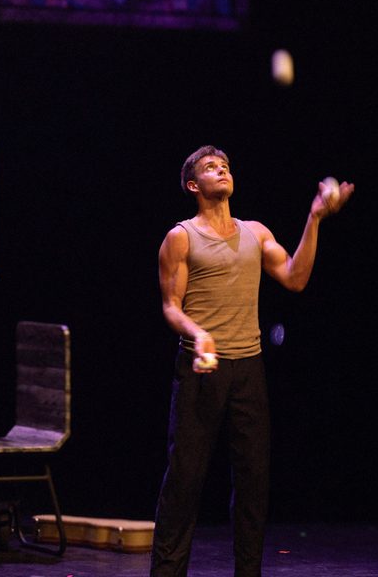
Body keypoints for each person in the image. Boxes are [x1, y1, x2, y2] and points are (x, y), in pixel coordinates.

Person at [151, 147, 354, 577]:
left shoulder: (255, 232)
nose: (221, 169)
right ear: (193, 185)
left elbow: (296, 277)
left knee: (252, 485)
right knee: (185, 481)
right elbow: (171, 306)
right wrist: (197, 332)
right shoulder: (182, 237)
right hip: (201, 369)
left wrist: (314, 218)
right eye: (210, 167)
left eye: (225, 165)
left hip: (249, 369)